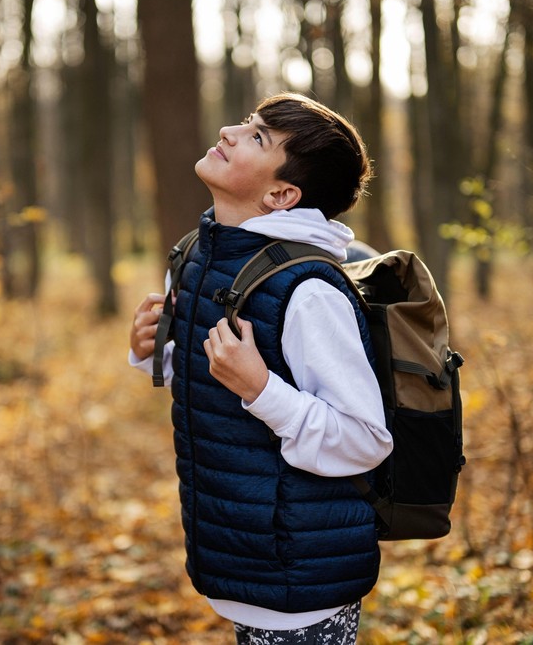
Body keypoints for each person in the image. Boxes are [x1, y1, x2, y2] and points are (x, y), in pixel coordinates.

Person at [128, 93, 392, 644]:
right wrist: (153, 351)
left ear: (281, 194)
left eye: (256, 138)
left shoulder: (310, 292)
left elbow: (365, 440)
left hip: (303, 578)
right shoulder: (199, 254)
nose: (228, 130)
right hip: (244, 562)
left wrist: (262, 388)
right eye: (248, 124)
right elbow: (213, 392)